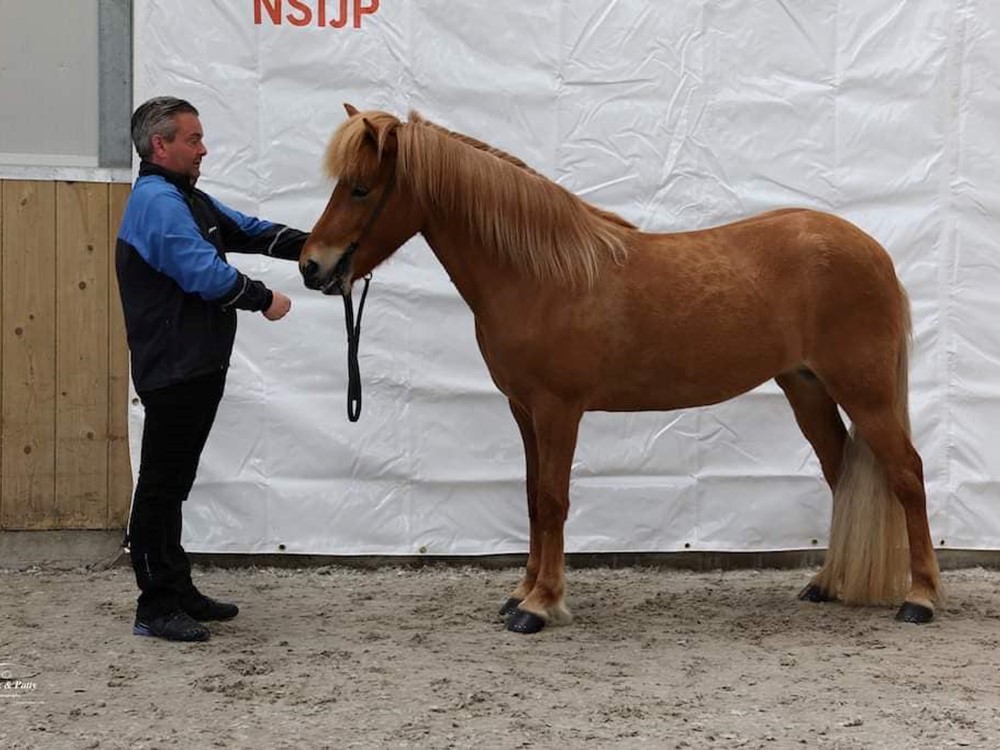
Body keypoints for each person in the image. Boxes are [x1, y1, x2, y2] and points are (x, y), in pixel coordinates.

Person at [116, 96, 308, 642]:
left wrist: (318, 247)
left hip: (195, 363)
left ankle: (177, 589)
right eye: (193, 139)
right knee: (160, 484)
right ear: (161, 144)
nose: (204, 149)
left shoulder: (186, 199)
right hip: (175, 365)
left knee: (174, 481)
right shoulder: (158, 202)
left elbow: (245, 228)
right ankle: (155, 606)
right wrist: (265, 297)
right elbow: (204, 274)